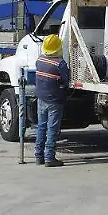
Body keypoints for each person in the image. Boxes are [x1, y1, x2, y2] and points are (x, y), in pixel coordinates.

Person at [34, 34, 70, 167]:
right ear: (58, 48)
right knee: (52, 129)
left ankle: (38, 156)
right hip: (55, 100)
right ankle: (49, 158)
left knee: (41, 127)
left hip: (41, 98)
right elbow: (66, 81)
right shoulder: (60, 63)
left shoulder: (39, 60)